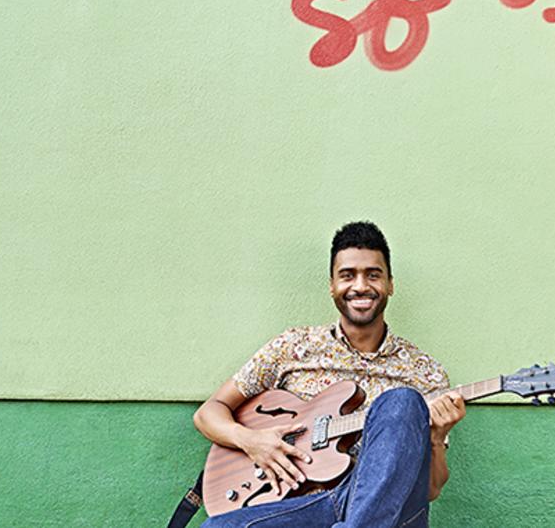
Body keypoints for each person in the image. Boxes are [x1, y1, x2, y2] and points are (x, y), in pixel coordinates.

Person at [194, 221, 466, 528]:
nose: (360, 286)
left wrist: (437, 437)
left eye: (373, 275)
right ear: (332, 285)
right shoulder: (294, 347)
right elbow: (208, 414)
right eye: (347, 275)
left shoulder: (425, 373)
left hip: (389, 511)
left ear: (390, 284)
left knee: (402, 402)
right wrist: (251, 440)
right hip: (306, 506)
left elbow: (429, 491)